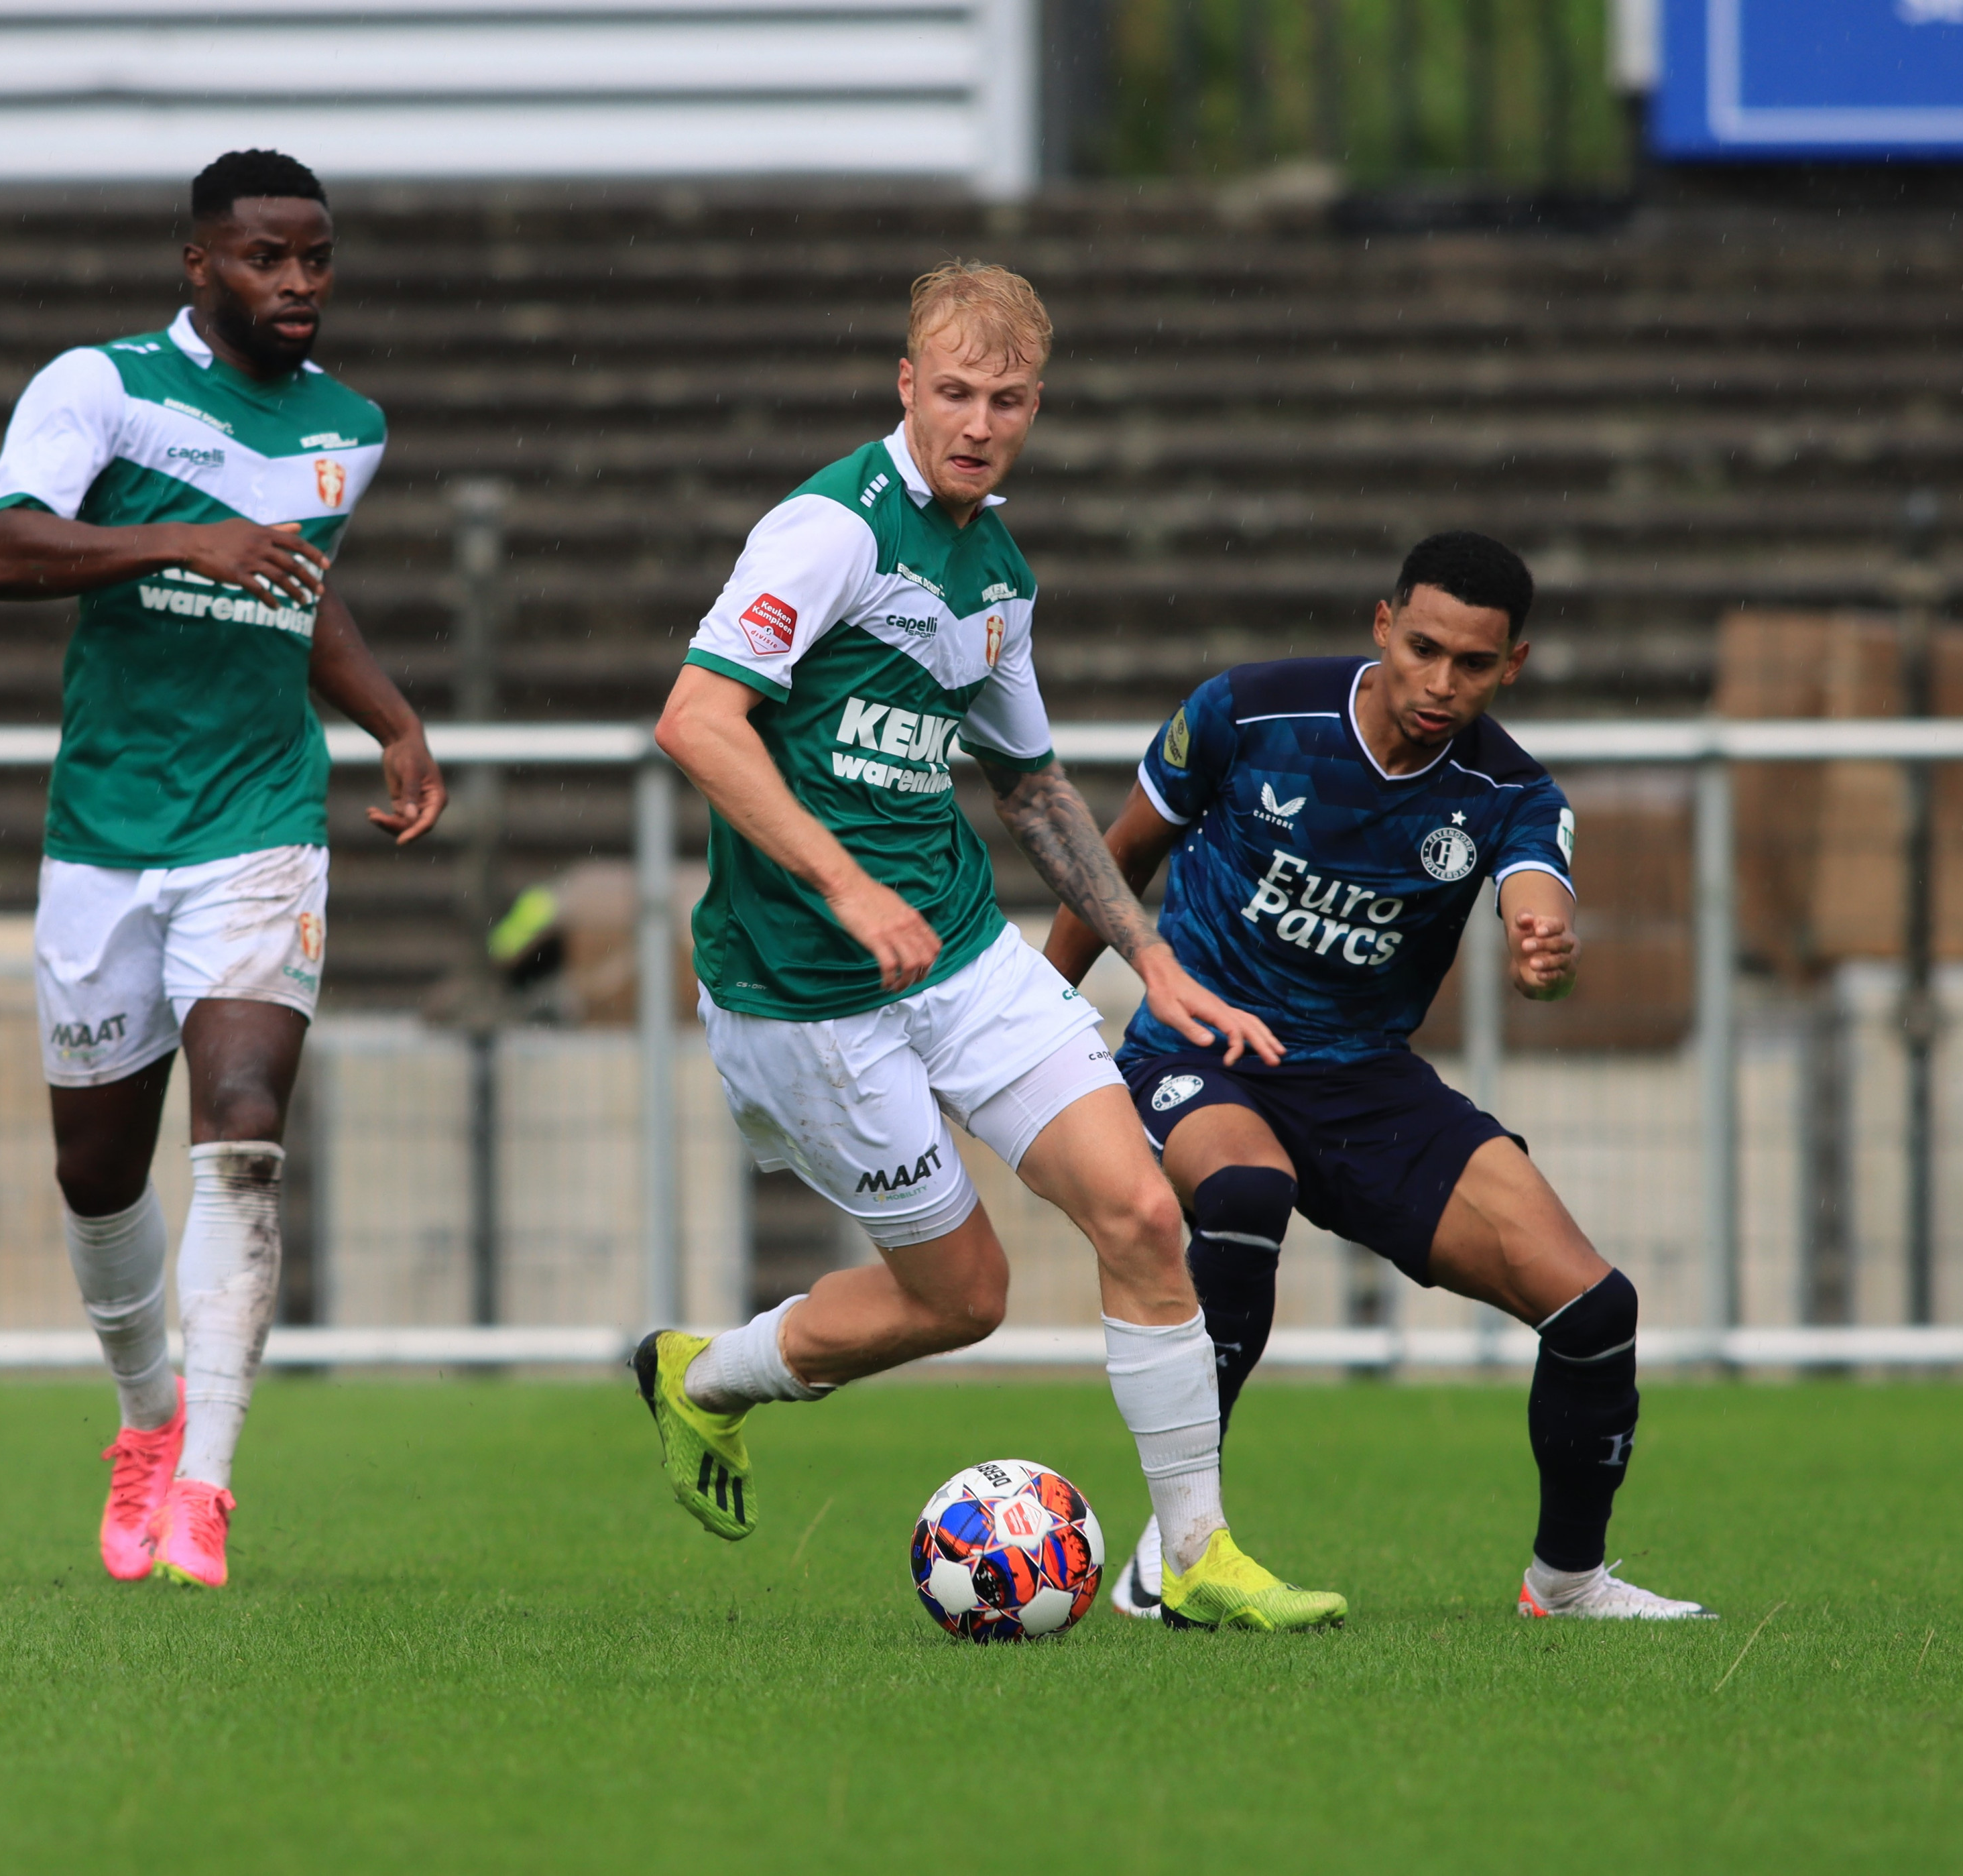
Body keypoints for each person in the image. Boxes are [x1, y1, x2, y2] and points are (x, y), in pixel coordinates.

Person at [631, 260, 1344, 1633]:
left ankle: (1194, 1550)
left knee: (1142, 1213)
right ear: (907, 385)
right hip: (807, 991)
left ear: (1035, 407)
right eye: (953, 391)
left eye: (1006, 399)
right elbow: (697, 721)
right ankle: (702, 1377)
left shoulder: (999, 569)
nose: (978, 419)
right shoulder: (827, 532)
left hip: (958, 951)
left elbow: (1031, 785)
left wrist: (1157, 959)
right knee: (963, 1299)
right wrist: (845, 885)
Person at [1045, 532, 1715, 1622]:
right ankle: (1178, 1547)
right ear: (1382, 626)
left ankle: (1569, 1581)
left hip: (1366, 1085)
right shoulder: (1249, 714)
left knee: (1597, 1310)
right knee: (1246, 1191)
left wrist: (1545, 950)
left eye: (1474, 664)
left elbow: (1538, 897)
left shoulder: (1508, 792)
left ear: (1515, 666)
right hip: (1203, 1047)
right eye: (1424, 648)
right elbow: (1114, 861)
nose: (1441, 683)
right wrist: (1044, 1026)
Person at [0, 150, 444, 1589]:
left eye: (316, 260)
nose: (296, 284)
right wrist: (191, 538)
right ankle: (147, 1422)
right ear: (199, 266)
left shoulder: (350, 428)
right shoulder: (98, 388)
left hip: (260, 819)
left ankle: (210, 1490)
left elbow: (299, 588)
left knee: (244, 1121)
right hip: (108, 832)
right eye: (264, 259)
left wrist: (393, 720)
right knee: (97, 1166)